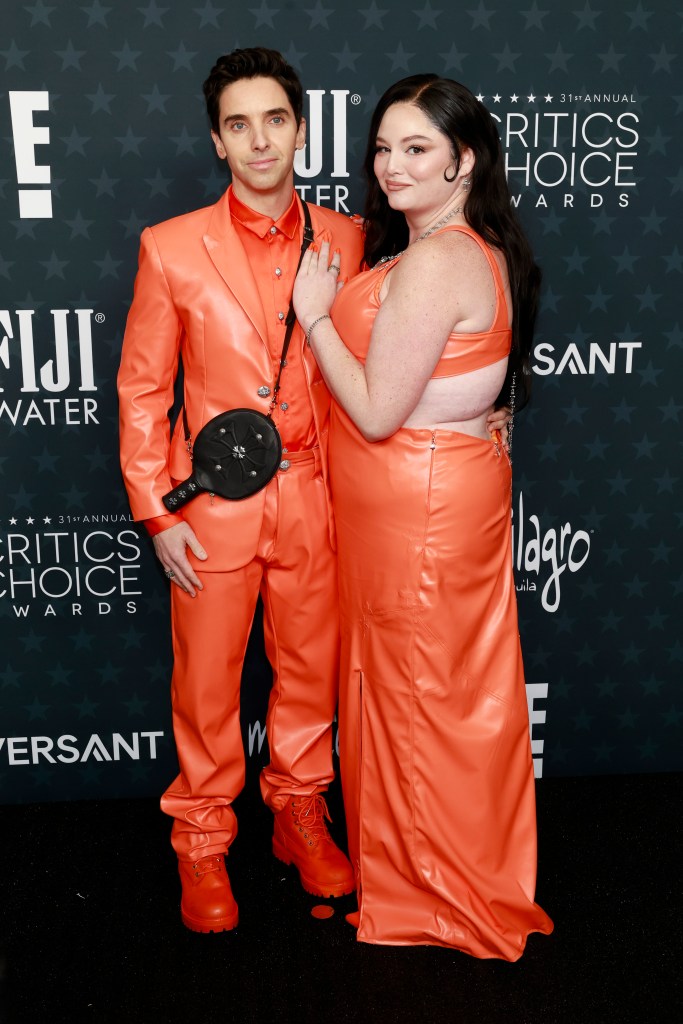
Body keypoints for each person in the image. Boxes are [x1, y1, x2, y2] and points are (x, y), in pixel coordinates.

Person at [293, 74, 554, 959]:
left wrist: (315, 317)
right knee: (438, 691)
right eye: (382, 147)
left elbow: (373, 411)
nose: (392, 165)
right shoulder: (460, 247)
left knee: (418, 696)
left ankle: (433, 889)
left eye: (416, 149)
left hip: (420, 510)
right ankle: (434, 865)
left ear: (463, 161)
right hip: (430, 497)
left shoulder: (441, 257)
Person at [117, 48, 366, 933]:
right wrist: (155, 512)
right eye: (237, 124)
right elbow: (145, 390)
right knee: (207, 687)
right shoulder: (170, 246)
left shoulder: (348, 239)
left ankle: (300, 813)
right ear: (217, 141)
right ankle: (202, 840)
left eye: (274, 119)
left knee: (309, 674)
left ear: (299, 128)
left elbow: (388, 366)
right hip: (210, 505)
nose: (259, 140)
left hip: (317, 496)